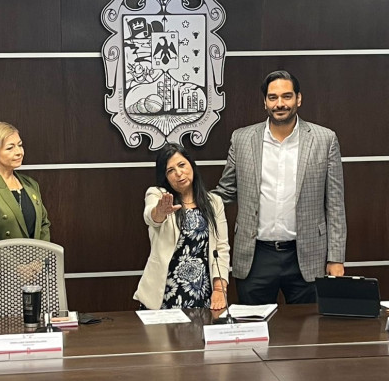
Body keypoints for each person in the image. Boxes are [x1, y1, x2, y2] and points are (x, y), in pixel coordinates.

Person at [214, 70, 347, 305]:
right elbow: (225, 191)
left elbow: (335, 204)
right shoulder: (242, 139)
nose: (280, 104)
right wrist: (190, 201)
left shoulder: (325, 139)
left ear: (298, 99)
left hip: (307, 256)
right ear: (264, 102)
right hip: (256, 256)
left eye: (287, 96)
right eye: (273, 97)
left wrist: (336, 258)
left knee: (308, 326)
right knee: (253, 324)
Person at [134, 143, 230, 310]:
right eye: (170, 170)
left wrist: (219, 289)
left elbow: (221, 248)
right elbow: (150, 216)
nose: (178, 173)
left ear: (191, 165)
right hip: (165, 293)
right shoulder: (158, 195)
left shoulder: (214, 202)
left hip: (202, 292)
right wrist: (160, 212)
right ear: (165, 176)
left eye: (181, 165)